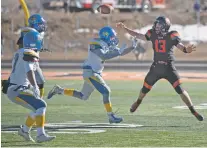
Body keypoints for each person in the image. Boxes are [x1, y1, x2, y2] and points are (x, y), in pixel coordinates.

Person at [116, 16, 204, 121]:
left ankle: (193, 111)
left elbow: (181, 47)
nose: (156, 26)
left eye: (159, 24)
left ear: (165, 26)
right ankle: (138, 102)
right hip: (156, 67)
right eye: (156, 24)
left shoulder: (171, 35)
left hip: (168, 67)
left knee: (180, 90)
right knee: (144, 89)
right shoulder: (152, 34)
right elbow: (139, 35)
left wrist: (186, 50)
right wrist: (125, 29)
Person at [47, 26, 138, 123]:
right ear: (106, 36)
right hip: (91, 72)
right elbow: (103, 55)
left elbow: (120, 52)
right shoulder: (96, 43)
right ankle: (111, 116)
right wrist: (118, 52)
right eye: (111, 37)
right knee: (106, 91)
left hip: (94, 72)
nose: (113, 39)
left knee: (83, 96)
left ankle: (59, 90)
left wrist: (132, 47)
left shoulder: (105, 44)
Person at [7, 30, 56, 142]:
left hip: (15, 88)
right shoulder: (28, 53)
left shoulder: (20, 51)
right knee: (41, 105)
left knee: (36, 108)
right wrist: (35, 86)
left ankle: (24, 130)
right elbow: (29, 71)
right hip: (18, 90)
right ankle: (40, 135)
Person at [16, 14, 47, 99]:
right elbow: (22, 47)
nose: (43, 26)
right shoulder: (28, 32)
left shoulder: (37, 33)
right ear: (35, 24)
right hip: (27, 59)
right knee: (25, 81)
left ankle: (39, 98)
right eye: (40, 24)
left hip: (34, 60)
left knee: (41, 81)